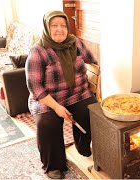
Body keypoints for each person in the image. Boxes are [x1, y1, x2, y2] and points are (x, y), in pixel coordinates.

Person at [25, 10, 98, 179]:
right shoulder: (38, 51)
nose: (60, 29)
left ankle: (83, 147)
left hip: (77, 94)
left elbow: (92, 60)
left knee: (92, 111)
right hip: (47, 99)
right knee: (47, 124)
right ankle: (53, 165)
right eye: (54, 26)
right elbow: (35, 88)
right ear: (46, 28)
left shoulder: (76, 43)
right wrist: (57, 107)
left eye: (63, 25)